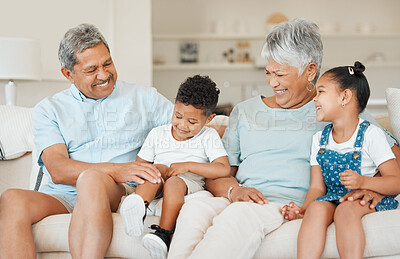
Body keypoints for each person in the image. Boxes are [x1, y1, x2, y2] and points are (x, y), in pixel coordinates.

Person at [167, 18, 400, 259]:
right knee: (194, 208)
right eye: (268, 72)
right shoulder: (244, 111)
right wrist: (234, 191)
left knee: (239, 217)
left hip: (279, 204)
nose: (272, 82)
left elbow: (393, 162)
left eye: (280, 74)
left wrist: (375, 190)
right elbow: (219, 173)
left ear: (310, 71)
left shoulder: (337, 110)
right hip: (238, 197)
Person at [0, 24, 173, 258]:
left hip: (116, 191)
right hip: (62, 196)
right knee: (12, 198)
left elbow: (189, 126)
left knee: (91, 179)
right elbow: (58, 170)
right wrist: (118, 169)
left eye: (107, 63)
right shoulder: (50, 109)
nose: (103, 75)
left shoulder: (145, 98)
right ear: (68, 74)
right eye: (91, 69)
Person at [282, 61, 400, 259]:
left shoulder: (371, 135)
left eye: (321, 92)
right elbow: (317, 189)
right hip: (334, 197)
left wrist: (364, 182)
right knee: (317, 209)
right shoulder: (319, 140)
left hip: (365, 197)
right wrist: (304, 210)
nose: (315, 99)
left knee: (345, 210)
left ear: (344, 97)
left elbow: (396, 181)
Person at [119, 75, 230, 259]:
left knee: (174, 182)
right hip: (159, 182)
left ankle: (163, 234)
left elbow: (223, 168)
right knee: (156, 169)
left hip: (187, 184)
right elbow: (140, 165)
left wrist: (188, 166)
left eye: (192, 122)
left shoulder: (208, 136)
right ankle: (139, 207)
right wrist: (152, 171)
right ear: (174, 105)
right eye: (178, 116)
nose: (182, 125)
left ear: (209, 119)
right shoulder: (157, 134)